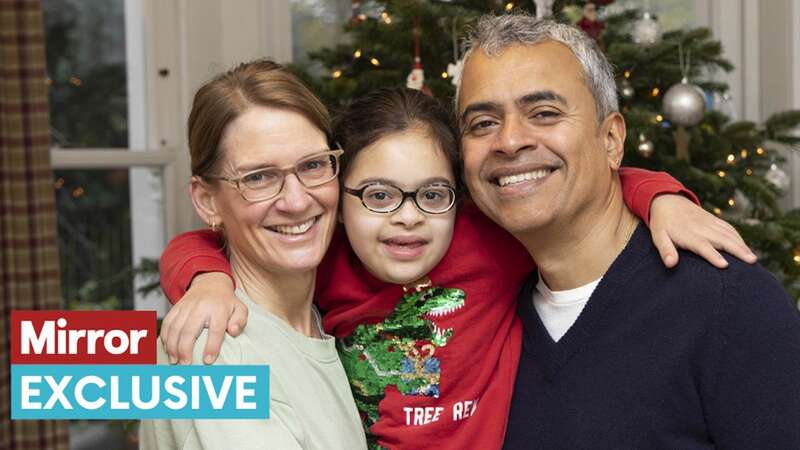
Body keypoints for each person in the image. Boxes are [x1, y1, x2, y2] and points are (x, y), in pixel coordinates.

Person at [157, 82, 755, 449]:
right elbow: (209, 239)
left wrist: (661, 195)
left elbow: (578, 187)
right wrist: (205, 278)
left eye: (432, 194)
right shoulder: (323, 257)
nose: (407, 218)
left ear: (458, 198)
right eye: (379, 195)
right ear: (343, 203)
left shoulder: (490, 241)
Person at [452, 15, 800, 448]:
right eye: (482, 123)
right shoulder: (478, 316)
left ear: (612, 139)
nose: (509, 141)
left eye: (543, 113)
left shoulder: (729, 305)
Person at [138, 60, 367, 450]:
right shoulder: (215, 355)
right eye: (258, 177)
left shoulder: (326, 310)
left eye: (313, 165)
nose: (296, 201)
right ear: (207, 200)